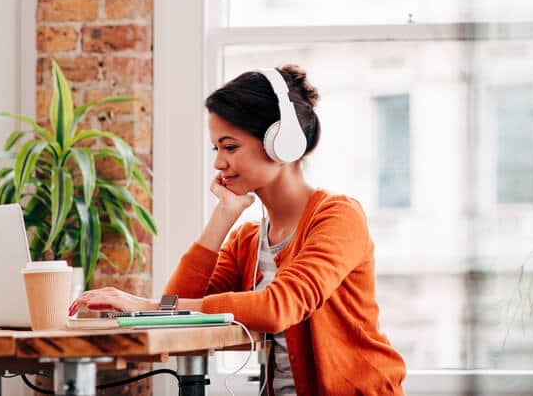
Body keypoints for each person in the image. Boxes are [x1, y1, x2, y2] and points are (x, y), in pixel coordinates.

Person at [69, 65, 407, 395]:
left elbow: (277, 308)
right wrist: (223, 215)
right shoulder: (247, 239)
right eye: (216, 149)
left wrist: (144, 304)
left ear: (282, 144)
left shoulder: (337, 217)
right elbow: (176, 316)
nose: (218, 162)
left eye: (230, 147)